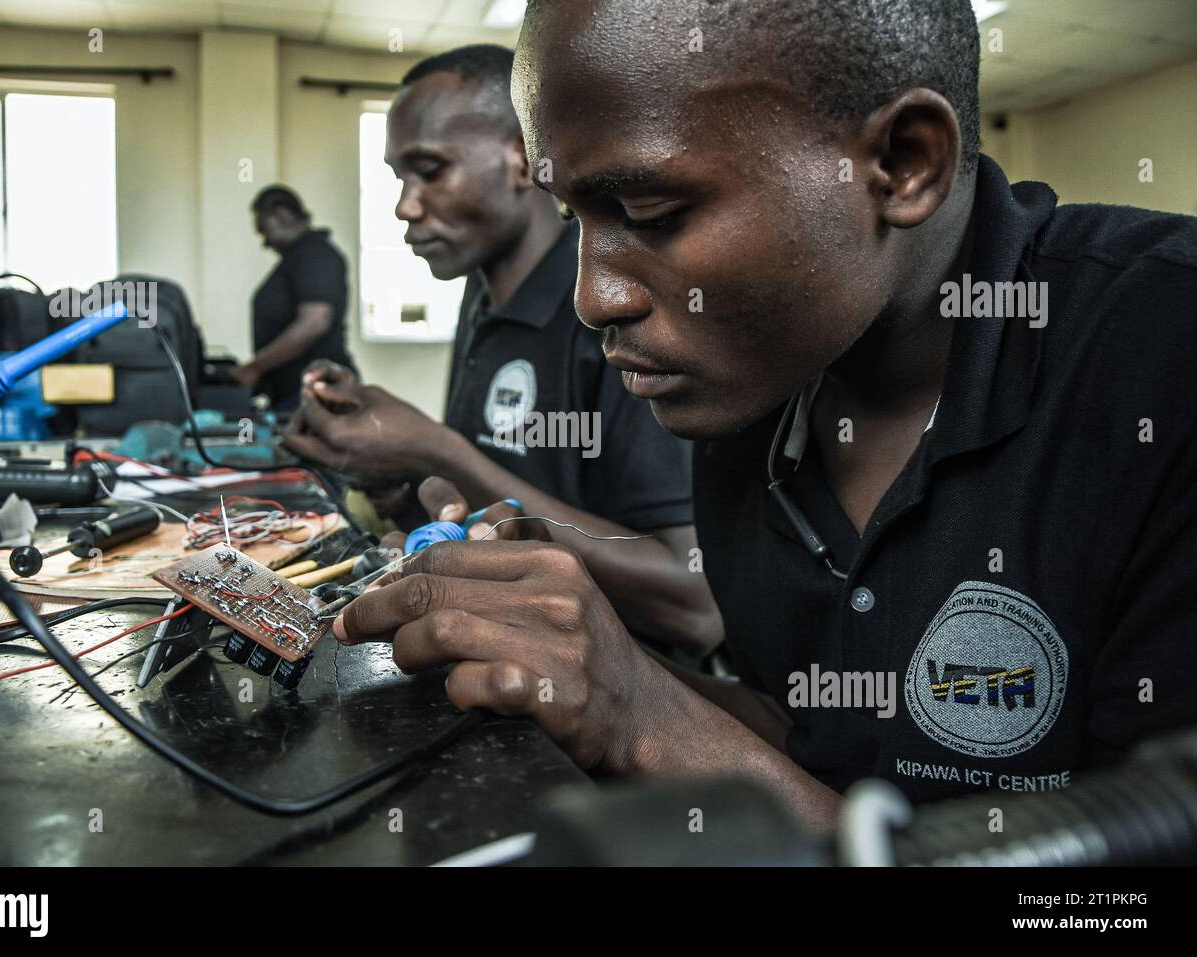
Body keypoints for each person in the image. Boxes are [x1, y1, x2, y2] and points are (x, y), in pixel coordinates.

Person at [325, 0, 1197, 830]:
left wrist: (645, 718)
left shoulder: (1161, 357)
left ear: (902, 161)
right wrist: (591, 658)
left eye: (650, 213)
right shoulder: (752, 385)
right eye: (574, 217)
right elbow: (818, 746)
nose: (593, 298)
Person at [284, 45, 722, 657]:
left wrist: (438, 448)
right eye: (399, 179)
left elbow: (693, 607)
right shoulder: (481, 295)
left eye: (430, 170)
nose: (405, 207)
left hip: (613, 702)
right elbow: (496, 493)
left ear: (522, 161)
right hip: (495, 664)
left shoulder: (613, 305)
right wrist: (403, 480)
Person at [233, 186, 355, 410]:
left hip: (317, 395)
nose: (264, 242)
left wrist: (254, 369)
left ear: (281, 215)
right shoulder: (298, 257)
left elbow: (315, 321)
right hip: (297, 395)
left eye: (263, 231)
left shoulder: (314, 254)